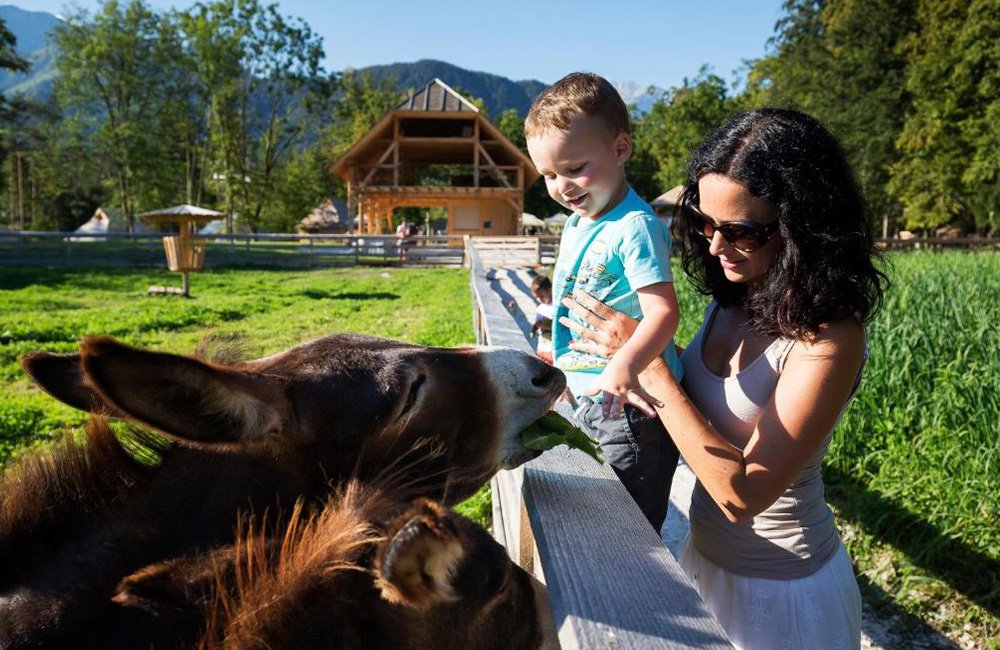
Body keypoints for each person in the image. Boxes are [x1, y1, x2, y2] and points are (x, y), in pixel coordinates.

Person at [561, 108, 888, 650]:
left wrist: (652, 369)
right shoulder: (735, 297)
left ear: (802, 225)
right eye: (704, 223)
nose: (714, 246)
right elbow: (708, 391)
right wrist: (621, 351)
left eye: (740, 231)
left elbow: (743, 496)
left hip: (785, 597)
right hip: (705, 563)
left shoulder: (830, 339)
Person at [524, 72, 683, 532]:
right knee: (596, 516)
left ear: (620, 149)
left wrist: (624, 365)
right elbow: (577, 294)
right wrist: (563, 352)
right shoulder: (578, 223)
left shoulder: (634, 225)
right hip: (591, 396)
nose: (562, 187)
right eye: (549, 175)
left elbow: (663, 312)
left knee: (625, 528)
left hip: (630, 406)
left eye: (574, 169)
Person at [530, 275, 554, 363]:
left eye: (542, 296)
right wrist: (534, 328)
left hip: (552, 347)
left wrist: (543, 325)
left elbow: (557, 326)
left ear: (550, 290)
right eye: (537, 297)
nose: (540, 299)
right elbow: (538, 322)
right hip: (542, 346)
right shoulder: (541, 308)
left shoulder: (555, 308)